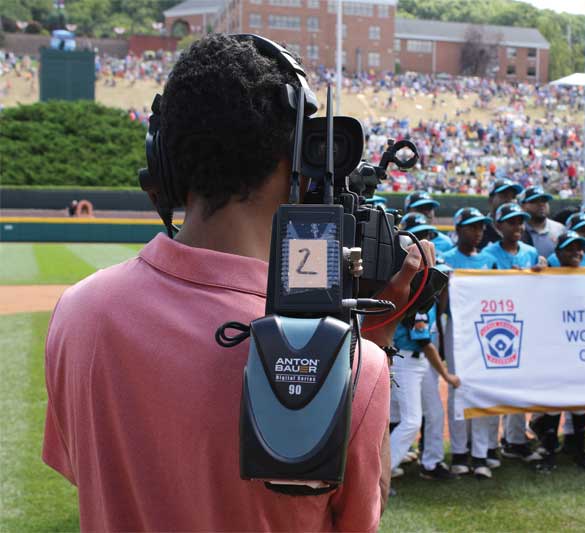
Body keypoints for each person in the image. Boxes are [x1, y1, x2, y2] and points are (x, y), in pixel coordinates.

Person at [42, 34, 432, 531]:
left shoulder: (77, 311)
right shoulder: (358, 364)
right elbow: (361, 517)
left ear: (163, 155)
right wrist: (370, 344)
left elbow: (90, 472)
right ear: (301, 161)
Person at [390, 214, 461, 482]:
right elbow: (426, 343)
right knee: (409, 421)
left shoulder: (425, 298)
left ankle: (431, 463)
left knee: (432, 412)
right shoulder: (417, 296)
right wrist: (447, 375)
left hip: (416, 364)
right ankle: (382, 472)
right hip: (407, 362)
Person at [534, 231, 585, 471]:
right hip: (555, 348)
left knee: (580, 402)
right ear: (558, 252)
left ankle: (579, 451)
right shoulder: (547, 274)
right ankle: (549, 452)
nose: (577, 253)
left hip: (581, 347)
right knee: (554, 403)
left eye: (580, 248)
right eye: (571, 248)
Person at [441, 207, 499, 478]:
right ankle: (460, 452)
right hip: (458, 329)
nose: (478, 232)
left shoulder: (488, 260)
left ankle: (481, 453)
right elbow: (441, 303)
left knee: (483, 388)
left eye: (481, 227)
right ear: (458, 229)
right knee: (458, 389)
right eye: (472, 227)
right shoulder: (446, 259)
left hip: (485, 329)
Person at [482, 202, 543, 463]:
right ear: (499, 226)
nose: (518, 226)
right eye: (511, 222)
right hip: (496, 327)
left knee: (519, 385)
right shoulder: (488, 253)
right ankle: (490, 445)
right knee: (495, 386)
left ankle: (515, 440)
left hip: (525, 324)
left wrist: (541, 272)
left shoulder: (531, 252)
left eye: (520, 222)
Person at [519, 185, 565, 257]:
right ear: (523, 206)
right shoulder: (517, 230)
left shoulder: (559, 229)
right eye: (535, 201)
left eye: (544, 200)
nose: (541, 204)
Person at [478, 178, 524, 249]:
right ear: (491, 200)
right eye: (504, 196)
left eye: (513, 197)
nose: (510, 200)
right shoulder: (479, 229)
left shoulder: (522, 230)